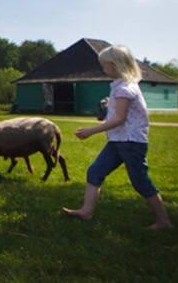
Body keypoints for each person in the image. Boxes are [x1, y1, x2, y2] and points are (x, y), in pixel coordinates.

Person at [62, 45, 172, 230]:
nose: (103, 69)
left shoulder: (125, 88)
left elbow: (120, 119)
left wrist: (91, 130)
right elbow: (121, 111)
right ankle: (86, 212)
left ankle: (163, 221)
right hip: (117, 141)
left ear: (114, 65)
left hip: (131, 142)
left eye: (104, 65)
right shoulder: (123, 86)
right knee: (95, 172)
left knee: (140, 181)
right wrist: (109, 103)